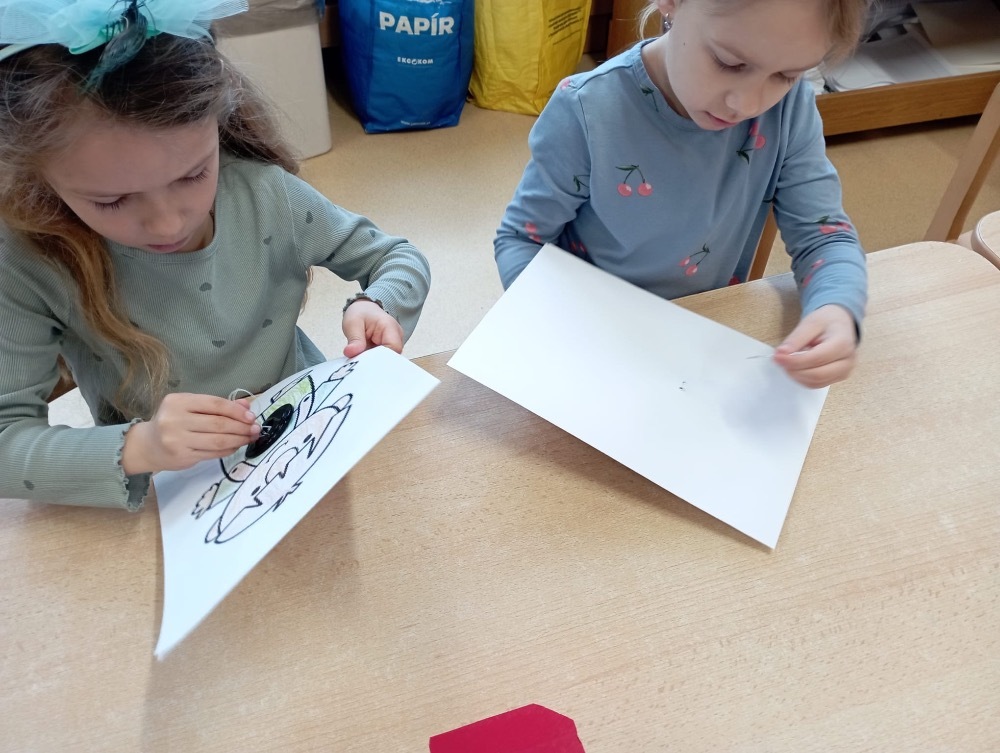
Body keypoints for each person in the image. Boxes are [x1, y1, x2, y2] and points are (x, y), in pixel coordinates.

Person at [0, 0, 431, 510]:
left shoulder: (266, 195)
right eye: (111, 201)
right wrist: (143, 445)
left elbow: (396, 258)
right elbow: (8, 442)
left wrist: (377, 305)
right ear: (39, 177)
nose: (168, 224)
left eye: (193, 174)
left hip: (311, 439)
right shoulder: (30, 258)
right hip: (176, 496)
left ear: (218, 124)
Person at [494, 0, 870, 389]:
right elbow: (521, 239)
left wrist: (836, 308)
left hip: (699, 342)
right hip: (591, 337)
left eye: (785, 76)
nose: (746, 104)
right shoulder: (587, 109)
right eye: (729, 63)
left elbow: (824, 237)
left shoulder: (789, 109)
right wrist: (559, 328)